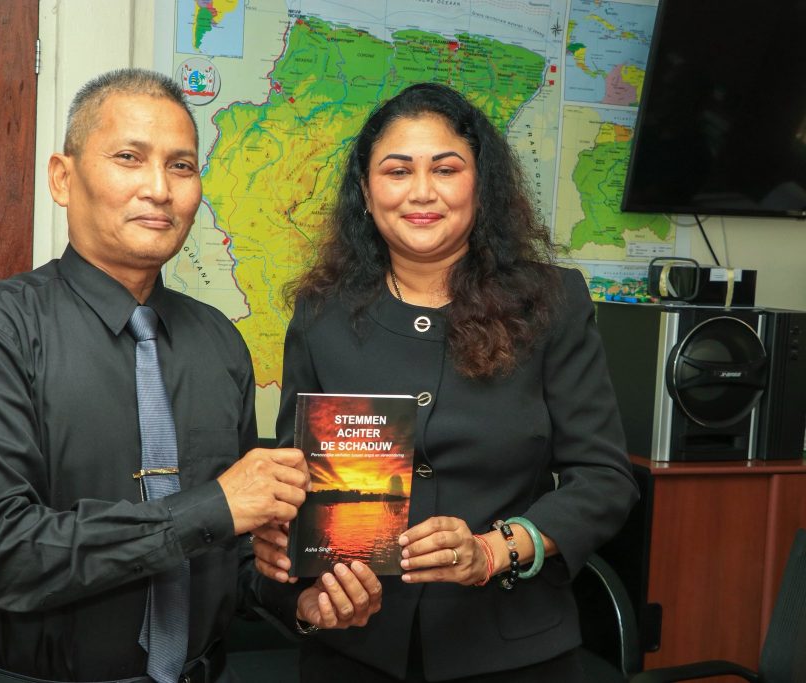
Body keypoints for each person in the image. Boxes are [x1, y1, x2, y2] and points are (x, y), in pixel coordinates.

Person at [0, 68, 321, 683]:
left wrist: (294, 599)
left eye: (181, 166)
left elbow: (231, 546)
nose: (159, 188)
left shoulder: (219, 343)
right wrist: (210, 509)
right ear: (62, 178)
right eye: (129, 157)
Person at [250, 82, 640, 682]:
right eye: (397, 171)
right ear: (366, 191)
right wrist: (284, 546)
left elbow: (605, 479)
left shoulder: (550, 303)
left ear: (481, 184)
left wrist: (494, 550)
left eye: (446, 169)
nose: (422, 192)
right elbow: (295, 481)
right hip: (355, 648)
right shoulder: (320, 314)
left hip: (514, 651)